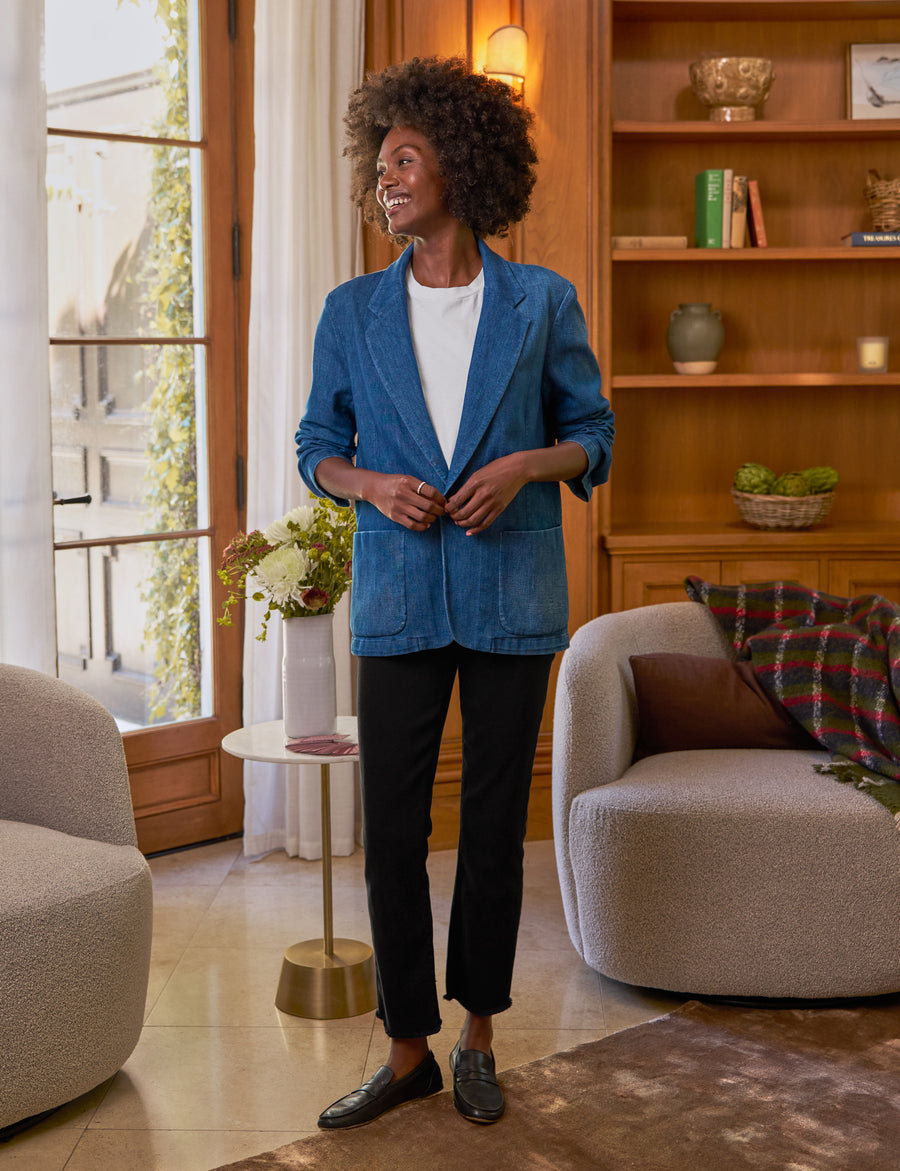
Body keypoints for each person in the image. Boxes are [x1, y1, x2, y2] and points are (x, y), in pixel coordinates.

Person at [296, 56, 614, 1130]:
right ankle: (402, 1050)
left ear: (459, 167)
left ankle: (478, 1035)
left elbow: (595, 438)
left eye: (405, 160)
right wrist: (373, 484)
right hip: (396, 600)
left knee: (488, 824)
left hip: (512, 593)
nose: (386, 179)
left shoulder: (541, 302)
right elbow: (316, 450)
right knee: (390, 826)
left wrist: (527, 465)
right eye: (378, 163)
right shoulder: (352, 310)